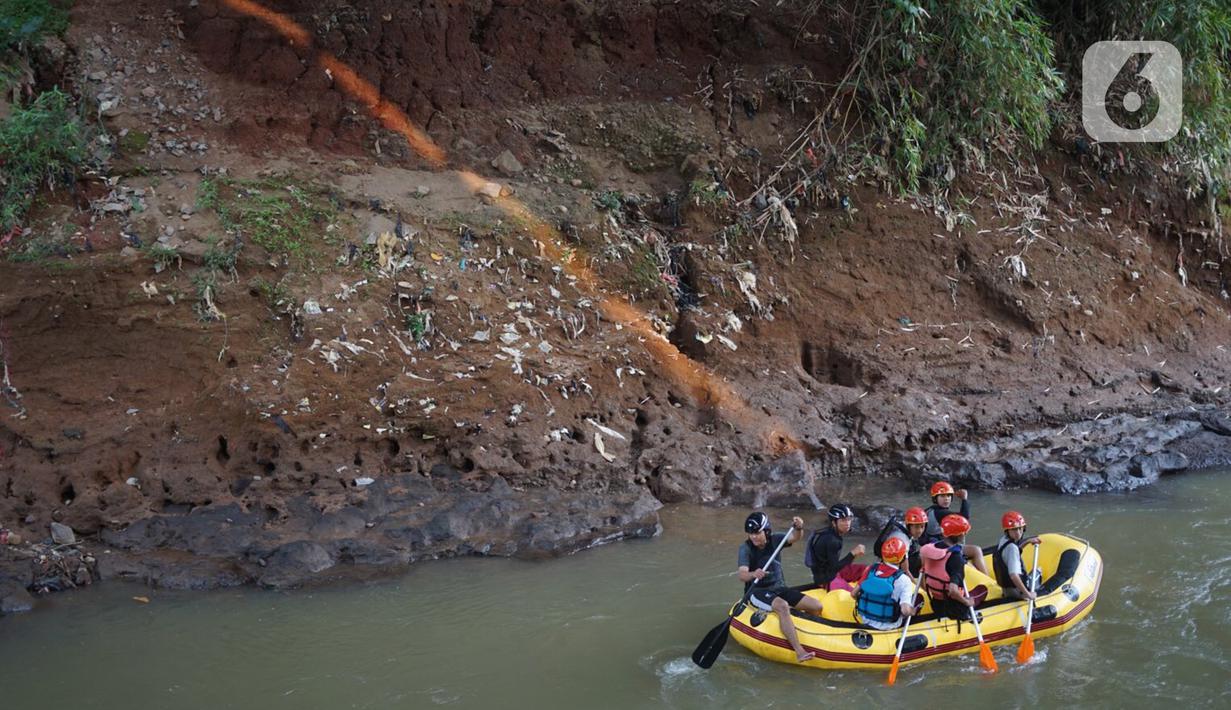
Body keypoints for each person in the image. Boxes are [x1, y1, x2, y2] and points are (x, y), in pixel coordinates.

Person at [738, 512, 822, 662]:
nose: (753, 537)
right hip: (757, 592)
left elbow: (795, 537)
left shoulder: (775, 539)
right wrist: (753, 574)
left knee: (816, 606)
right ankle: (799, 651)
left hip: (779, 588)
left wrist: (799, 528)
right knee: (782, 606)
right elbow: (742, 575)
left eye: (757, 533)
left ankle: (813, 639)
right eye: (751, 534)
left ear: (767, 531)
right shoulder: (746, 548)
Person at [919, 514, 987, 619]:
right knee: (983, 590)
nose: (964, 534)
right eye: (963, 533)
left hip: (936, 604)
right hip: (955, 608)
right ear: (958, 535)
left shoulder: (929, 550)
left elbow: (923, 576)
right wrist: (966, 601)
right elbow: (953, 590)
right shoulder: (956, 558)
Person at [920, 482, 989, 575]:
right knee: (976, 550)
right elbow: (964, 518)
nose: (946, 499)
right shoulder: (940, 513)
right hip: (943, 549)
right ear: (935, 499)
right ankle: (987, 579)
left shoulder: (929, 510)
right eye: (942, 496)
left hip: (935, 547)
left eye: (948, 496)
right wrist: (964, 499)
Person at [853, 536, 918, 630]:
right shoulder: (904, 580)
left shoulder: (870, 570)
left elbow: (853, 594)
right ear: (903, 557)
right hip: (889, 625)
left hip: (866, 620)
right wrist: (913, 611)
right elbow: (905, 610)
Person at [805, 504, 868, 592]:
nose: (847, 523)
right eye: (843, 520)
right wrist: (853, 553)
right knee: (858, 594)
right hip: (827, 580)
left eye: (849, 519)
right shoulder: (832, 540)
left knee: (867, 569)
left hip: (828, 573)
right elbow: (834, 568)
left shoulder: (827, 533)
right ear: (834, 523)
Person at [993, 511, 1042, 600]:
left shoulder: (1003, 540)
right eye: (1014, 529)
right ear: (1008, 530)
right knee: (1038, 571)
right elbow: (1014, 575)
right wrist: (1028, 594)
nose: (1018, 532)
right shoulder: (1012, 548)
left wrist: (1027, 541)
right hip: (1016, 592)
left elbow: (1013, 553)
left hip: (1006, 589)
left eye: (1020, 528)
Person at [875, 506, 928, 577]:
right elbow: (906, 570)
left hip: (885, 562)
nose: (920, 531)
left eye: (922, 526)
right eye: (916, 527)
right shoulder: (903, 540)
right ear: (909, 526)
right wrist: (918, 587)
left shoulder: (903, 527)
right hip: (889, 568)